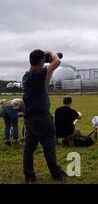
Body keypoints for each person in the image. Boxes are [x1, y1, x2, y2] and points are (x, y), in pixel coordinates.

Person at [22, 50, 66, 182]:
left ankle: (29, 176)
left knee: (29, 149)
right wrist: (51, 53)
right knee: (49, 146)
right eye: (43, 60)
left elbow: (46, 79)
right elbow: (58, 61)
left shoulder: (27, 75)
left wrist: (47, 61)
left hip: (30, 119)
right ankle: (56, 174)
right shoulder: (36, 74)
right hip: (42, 118)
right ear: (41, 61)